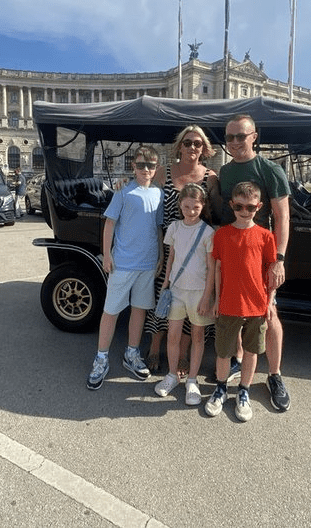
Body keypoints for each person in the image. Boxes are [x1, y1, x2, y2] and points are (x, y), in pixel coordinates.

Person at [212, 114, 292, 412]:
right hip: (235, 251)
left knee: (268, 313)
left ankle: (274, 374)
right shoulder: (226, 171)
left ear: (254, 136)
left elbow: (282, 216)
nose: (234, 142)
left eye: (240, 136)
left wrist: (279, 260)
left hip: (263, 254)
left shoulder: (270, 169)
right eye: (229, 137)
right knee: (235, 311)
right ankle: (238, 362)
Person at [87, 146, 164, 390]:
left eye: (150, 166)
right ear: (133, 166)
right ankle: (101, 357)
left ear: (156, 168)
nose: (145, 170)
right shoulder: (123, 192)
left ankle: (131, 353)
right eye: (141, 165)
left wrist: (160, 255)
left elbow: (158, 227)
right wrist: (107, 254)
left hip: (147, 262)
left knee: (139, 309)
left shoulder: (159, 194)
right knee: (111, 311)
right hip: (123, 262)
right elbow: (110, 224)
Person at [145, 125, 218, 376]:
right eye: (187, 143)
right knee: (163, 298)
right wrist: (124, 184)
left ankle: (184, 354)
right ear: (179, 146)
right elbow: (146, 199)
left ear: (204, 148)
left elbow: (216, 214)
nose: (192, 148)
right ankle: (155, 346)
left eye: (197, 143)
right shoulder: (164, 173)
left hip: (198, 249)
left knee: (193, 302)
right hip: (168, 245)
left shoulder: (211, 177)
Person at [204, 181, 277, 422]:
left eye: (250, 207)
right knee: (223, 351)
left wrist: (270, 302)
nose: (244, 212)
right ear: (231, 205)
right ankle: (221, 387)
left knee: (251, 350)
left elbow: (270, 271)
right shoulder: (222, 234)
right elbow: (217, 268)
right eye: (239, 207)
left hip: (257, 303)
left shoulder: (266, 236)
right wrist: (214, 298)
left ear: (259, 207)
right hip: (228, 302)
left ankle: (243, 390)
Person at [153, 183, 216, 405]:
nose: (190, 211)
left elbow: (211, 267)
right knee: (173, 335)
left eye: (195, 207)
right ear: (180, 205)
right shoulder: (174, 228)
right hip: (177, 291)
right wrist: (165, 284)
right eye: (187, 206)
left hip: (199, 292)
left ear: (202, 206)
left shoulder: (208, 232)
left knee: (198, 336)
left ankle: (192, 379)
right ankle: (172, 375)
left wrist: (208, 295)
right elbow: (171, 258)